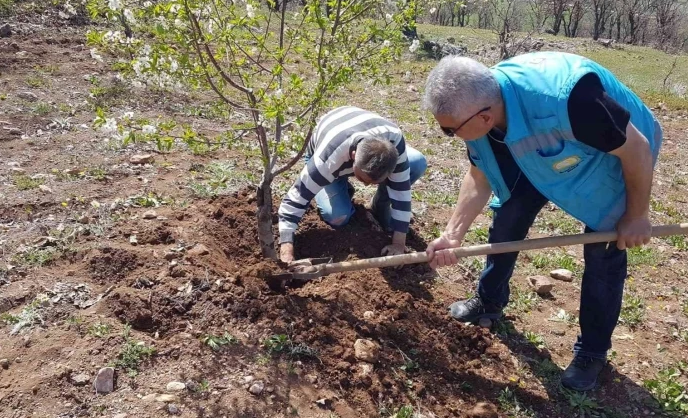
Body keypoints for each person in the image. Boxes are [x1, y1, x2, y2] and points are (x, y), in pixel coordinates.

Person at [422, 52, 662, 391]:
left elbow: (636, 148)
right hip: (540, 151)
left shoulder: (573, 101)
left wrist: (636, 215)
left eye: (450, 131)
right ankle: (489, 300)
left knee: (604, 248)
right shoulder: (481, 111)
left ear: (486, 117)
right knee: (508, 215)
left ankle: (591, 353)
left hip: (613, 155)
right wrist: (452, 234)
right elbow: (479, 175)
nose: (448, 135)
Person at [278, 106, 427, 263]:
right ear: (353, 156)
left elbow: (401, 192)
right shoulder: (327, 160)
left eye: (374, 182)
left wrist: (398, 244)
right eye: (363, 179)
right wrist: (286, 252)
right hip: (330, 147)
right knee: (338, 217)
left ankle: (380, 206)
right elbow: (295, 200)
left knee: (417, 162)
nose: (368, 186)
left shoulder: (394, 141)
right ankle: (341, 188)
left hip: (369, 135)